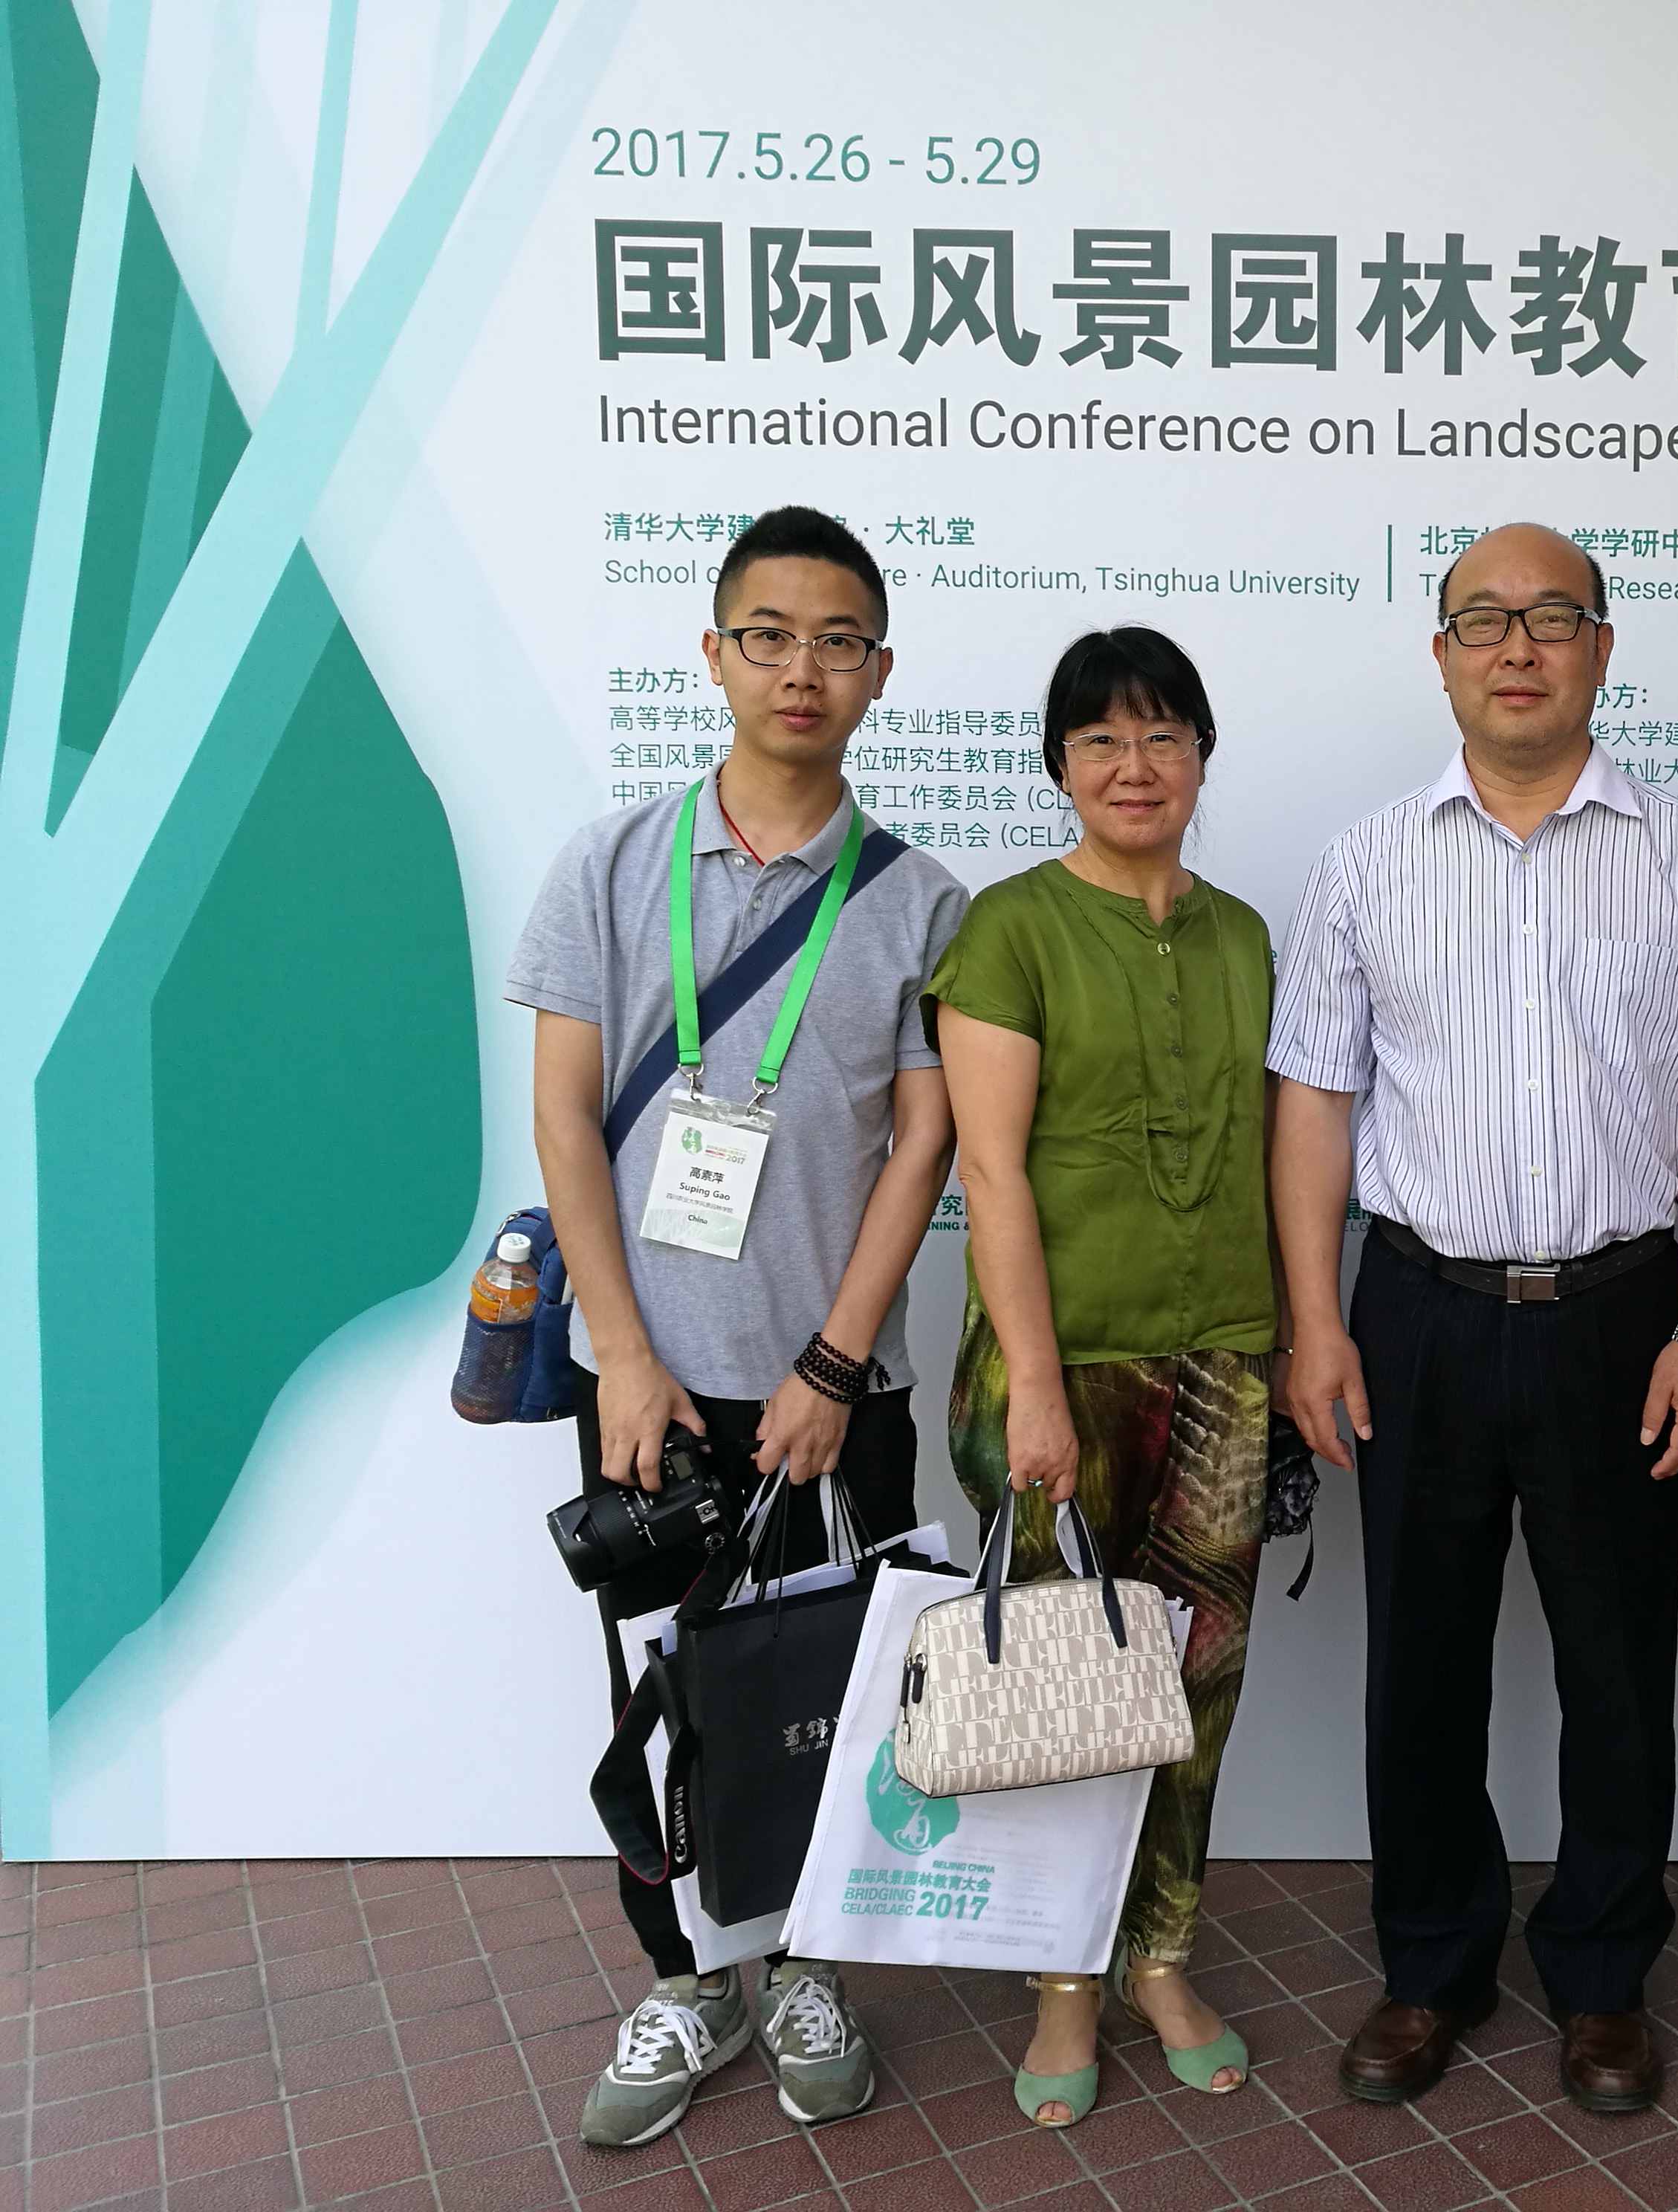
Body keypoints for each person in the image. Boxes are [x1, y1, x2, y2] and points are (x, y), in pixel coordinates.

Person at [1269, 523, 1678, 2115]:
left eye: (1552, 618)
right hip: (1415, 1309)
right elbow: (1314, 1106)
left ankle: (1604, 1974)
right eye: (1482, 619)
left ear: (1602, 650)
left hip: (1624, 1316)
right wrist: (1315, 1324)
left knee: (1619, 1670)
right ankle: (1431, 1966)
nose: (1517, 647)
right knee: (1420, 1663)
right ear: (1440, 656)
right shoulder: (1365, 862)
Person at [508, 505, 966, 2147]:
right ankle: (692, 1977)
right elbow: (564, 1120)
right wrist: (625, 1357)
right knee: (663, 1692)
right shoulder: (611, 865)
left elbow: (925, 1142)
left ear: (879, 673)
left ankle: (809, 1967)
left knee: (831, 1694)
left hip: (840, 1389)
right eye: (768, 636)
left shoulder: (922, 903)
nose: (800, 669)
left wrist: (835, 1361)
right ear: (714, 654)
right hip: (650, 1383)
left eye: (837, 642)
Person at [927, 627, 1279, 2129]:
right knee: (1062, 1687)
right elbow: (991, 1172)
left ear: (1201, 755)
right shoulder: (1009, 928)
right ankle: (1063, 1978)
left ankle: (1161, 1956)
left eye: (1163, 737)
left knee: (1197, 1676)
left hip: (1225, 1363)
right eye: (1100, 742)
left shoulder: (1244, 936)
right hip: (1057, 1367)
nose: (1135, 768)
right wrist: (1036, 1385)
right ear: (1060, 766)